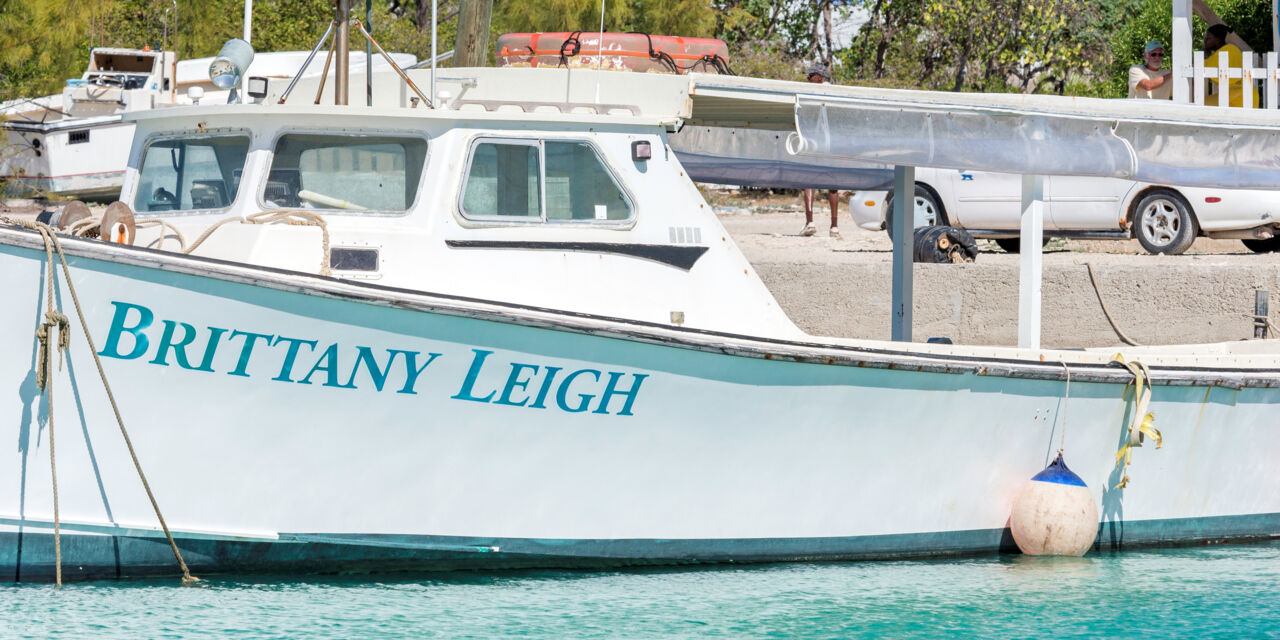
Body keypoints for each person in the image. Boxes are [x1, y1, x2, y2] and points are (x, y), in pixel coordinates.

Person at [801, 63, 841, 238]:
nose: (808, 80)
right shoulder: (836, 93)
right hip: (832, 143)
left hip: (815, 141)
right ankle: (834, 227)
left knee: (809, 181)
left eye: (810, 77)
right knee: (832, 184)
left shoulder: (815, 92)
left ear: (820, 77)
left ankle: (810, 222)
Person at [1203, 24, 1259, 108]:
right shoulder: (1223, 51)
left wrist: (1204, 56)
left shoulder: (1228, 50)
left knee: (1198, 104)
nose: (1205, 40)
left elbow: (1205, 69)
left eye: (1209, 38)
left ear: (1218, 40)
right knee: (1199, 104)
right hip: (1235, 95)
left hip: (1240, 96)